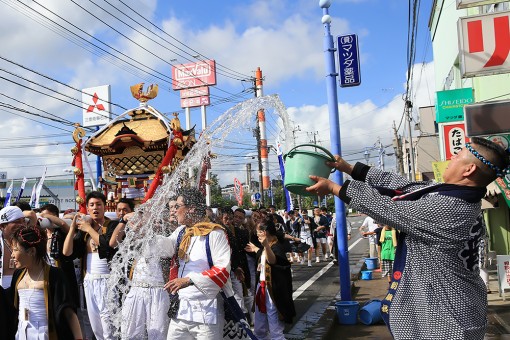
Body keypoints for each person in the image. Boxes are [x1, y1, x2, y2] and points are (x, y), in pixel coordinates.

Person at [306, 137, 510, 339]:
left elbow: (386, 208)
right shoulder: (454, 196)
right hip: (455, 310)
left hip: (446, 320)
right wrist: (349, 168)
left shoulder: (449, 207)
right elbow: (404, 185)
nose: (451, 157)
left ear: (469, 170)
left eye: (457, 155)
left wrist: (334, 188)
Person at [155, 188, 232, 340]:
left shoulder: (215, 233)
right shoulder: (182, 232)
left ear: (191, 208)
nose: (174, 211)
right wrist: (148, 232)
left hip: (207, 312)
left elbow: (223, 269)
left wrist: (189, 280)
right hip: (181, 309)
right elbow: (166, 248)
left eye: (178, 206)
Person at [6, 225, 82, 339]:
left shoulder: (55, 275)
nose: (12, 255)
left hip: (45, 332)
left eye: (15, 250)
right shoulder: (18, 275)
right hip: (22, 332)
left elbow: (68, 312)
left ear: (32, 251)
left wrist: (79, 338)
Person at [63, 191, 118, 340]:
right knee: (96, 326)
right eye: (91, 205)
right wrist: (73, 228)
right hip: (89, 280)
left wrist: (88, 228)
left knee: (108, 325)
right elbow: (67, 252)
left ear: (105, 207)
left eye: (99, 204)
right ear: (87, 209)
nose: (95, 208)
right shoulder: (85, 231)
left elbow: (107, 246)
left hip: (108, 280)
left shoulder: (112, 225)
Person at [245, 218, 295, 340]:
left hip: (272, 290)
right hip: (261, 288)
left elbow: (272, 260)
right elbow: (264, 256)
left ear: (265, 232)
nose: (256, 234)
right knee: (259, 326)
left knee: (275, 326)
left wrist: (265, 245)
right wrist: (257, 249)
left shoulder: (276, 246)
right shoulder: (267, 246)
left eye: (258, 231)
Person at [0, 206, 27, 288]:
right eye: (17, 221)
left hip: (23, 289)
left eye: (23, 221)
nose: (22, 225)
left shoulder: (28, 242)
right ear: (2, 226)